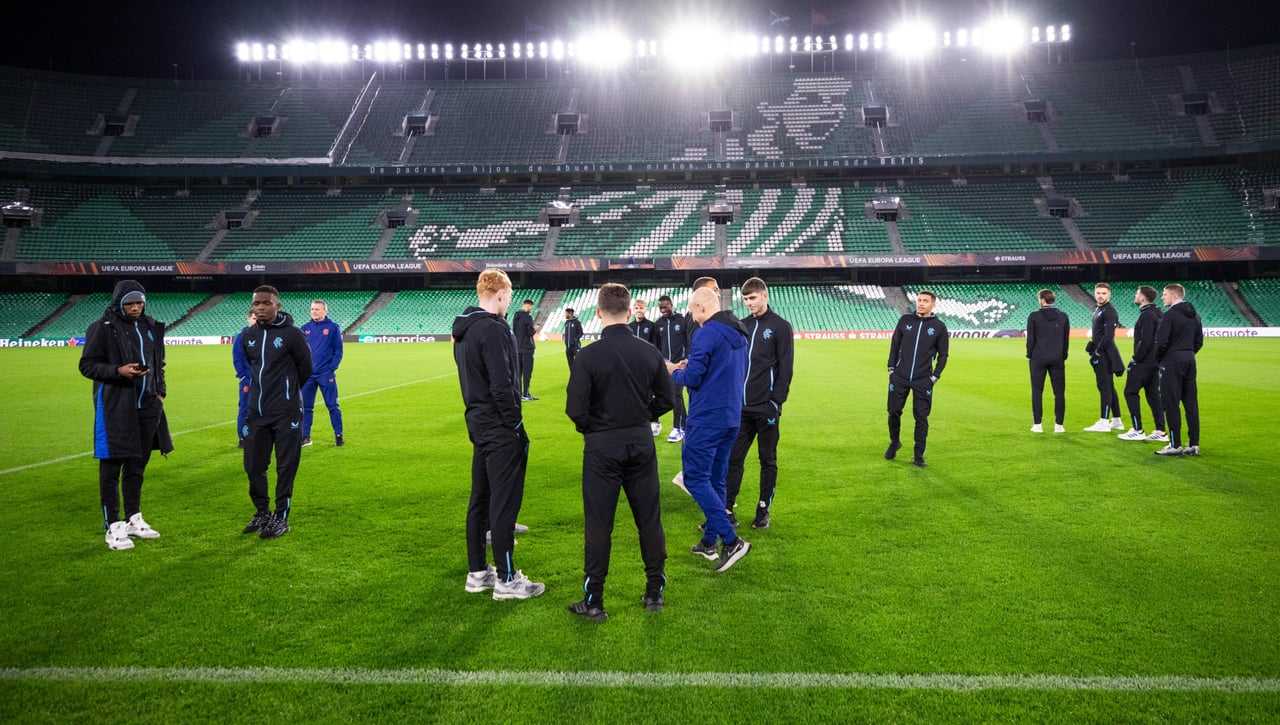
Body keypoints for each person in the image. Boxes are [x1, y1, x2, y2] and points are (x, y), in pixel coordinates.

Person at [565, 283, 674, 622]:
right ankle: (654, 592)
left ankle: (594, 600)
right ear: (629, 312)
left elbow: (575, 409)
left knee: (599, 525)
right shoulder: (649, 352)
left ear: (598, 313)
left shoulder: (588, 355)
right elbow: (668, 399)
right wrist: (643, 415)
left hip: (602, 447)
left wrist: (595, 428)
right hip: (640, 443)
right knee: (649, 520)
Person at [454, 270, 545, 600]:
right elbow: (502, 384)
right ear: (502, 294)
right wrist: (517, 426)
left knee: (479, 500)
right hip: (500, 427)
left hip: (478, 424)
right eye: (508, 294)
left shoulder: (464, 330)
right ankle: (507, 580)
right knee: (503, 505)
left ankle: (478, 573)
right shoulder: (493, 329)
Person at [79, 280, 172, 551]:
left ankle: (133, 518)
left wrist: (160, 392)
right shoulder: (102, 328)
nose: (135, 307)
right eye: (129, 303)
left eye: (139, 302)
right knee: (111, 466)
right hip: (115, 407)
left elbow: (159, 364)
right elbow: (87, 365)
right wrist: (118, 371)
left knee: (137, 465)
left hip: (148, 405)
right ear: (119, 302)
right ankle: (113, 527)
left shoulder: (150, 327)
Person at [669, 286, 752, 573]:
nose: (691, 316)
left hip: (707, 417)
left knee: (694, 479)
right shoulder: (739, 333)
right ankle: (709, 542)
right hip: (731, 416)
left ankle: (731, 541)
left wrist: (672, 370)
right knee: (717, 479)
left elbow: (692, 378)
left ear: (702, 307)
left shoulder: (706, 333)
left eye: (692, 310)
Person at [240, 285, 312, 540]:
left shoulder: (292, 334)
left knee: (286, 466)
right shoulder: (248, 335)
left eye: (266, 303)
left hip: (286, 413)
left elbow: (306, 367)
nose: (260, 307)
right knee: (253, 465)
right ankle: (262, 512)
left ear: (277, 305)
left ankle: (281, 517)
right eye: (256, 303)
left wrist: (287, 393)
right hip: (257, 412)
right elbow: (252, 366)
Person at [725, 278, 794, 530]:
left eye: (752, 298)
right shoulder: (742, 325)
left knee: (767, 460)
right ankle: (726, 509)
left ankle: (763, 510)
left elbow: (786, 368)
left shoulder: (780, 327)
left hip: (766, 407)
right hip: (741, 408)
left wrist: (776, 402)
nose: (749, 303)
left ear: (764, 295)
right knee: (733, 459)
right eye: (745, 299)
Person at [885, 290, 949, 468]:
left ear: (933, 304)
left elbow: (943, 355)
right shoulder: (905, 321)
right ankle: (894, 442)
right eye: (919, 300)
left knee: (921, 417)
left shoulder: (939, 327)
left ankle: (918, 454)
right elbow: (895, 344)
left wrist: (934, 376)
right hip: (900, 377)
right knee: (893, 411)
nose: (921, 303)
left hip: (923, 380)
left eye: (925, 301)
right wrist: (891, 368)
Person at [672, 276, 719, 493]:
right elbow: (696, 347)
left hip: (701, 374)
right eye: (714, 288)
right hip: (700, 378)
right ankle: (690, 475)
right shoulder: (697, 319)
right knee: (699, 428)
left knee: (700, 429)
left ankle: (693, 475)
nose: (717, 291)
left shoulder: (708, 319)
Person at [1154, 283, 1204, 457]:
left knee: (1171, 404)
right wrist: (1187, 353)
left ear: (1174, 296)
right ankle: (1194, 444)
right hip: (1190, 361)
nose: (1162, 297)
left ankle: (1175, 445)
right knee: (1191, 404)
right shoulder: (1195, 316)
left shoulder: (1170, 316)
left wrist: (1160, 360)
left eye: (1165, 294)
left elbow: (1161, 342)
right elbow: (1199, 342)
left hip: (1171, 364)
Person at [1119, 286, 1168, 442]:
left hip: (1143, 362)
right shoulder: (1159, 312)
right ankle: (1160, 431)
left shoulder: (1146, 315)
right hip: (1155, 362)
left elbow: (1145, 340)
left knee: (1130, 392)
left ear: (1143, 297)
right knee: (1153, 394)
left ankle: (1137, 429)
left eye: (1137, 293)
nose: (1135, 295)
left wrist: (1136, 358)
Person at [300, 300, 345, 448]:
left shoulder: (333, 328)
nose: (314, 311)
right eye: (312, 309)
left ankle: (338, 435)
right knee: (306, 407)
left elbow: (338, 350)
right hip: (308, 376)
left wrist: (331, 368)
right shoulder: (304, 329)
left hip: (325, 374)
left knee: (332, 406)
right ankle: (305, 436)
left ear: (325, 311)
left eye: (317, 309)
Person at [1083, 282, 1125, 432]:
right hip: (1102, 352)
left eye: (1104, 293)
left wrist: (1098, 352)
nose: (1100, 296)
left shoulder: (1109, 311)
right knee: (1109, 386)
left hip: (1105, 354)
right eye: (1098, 293)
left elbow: (1109, 336)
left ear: (1109, 295)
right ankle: (1117, 420)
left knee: (1104, 386)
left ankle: (1103, 421)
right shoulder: (1099, 309)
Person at [1025, 289, 1069, 434]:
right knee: (1059, 392)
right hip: (1057, 358)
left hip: (1038, 358)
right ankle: (1059, 425)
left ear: (1042, 300)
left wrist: (1030, 354)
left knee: (1037, 391)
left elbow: (1030, 339)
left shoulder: (1034, 316)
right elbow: (1065, 340)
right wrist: (1063, 356)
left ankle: (1038, 424)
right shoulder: (1063, 317)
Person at [654, 295, 689, 443]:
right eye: (660, 307)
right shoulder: (658, 324)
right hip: (666, 366)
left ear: (671, 304)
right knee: (673, 395)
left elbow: (689, 342)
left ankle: (677, 428)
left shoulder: (682, 321)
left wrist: (686, 359)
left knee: (676, 394)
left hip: (680, 365)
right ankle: (686, 426)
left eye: (665, 307)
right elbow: (656, 345)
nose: (662, 310)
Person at [233, 310, 254, 449]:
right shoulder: (241, 337)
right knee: (245, 409)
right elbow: (237, 358)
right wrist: (243, 375)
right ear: (248, 319)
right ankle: (243, 437)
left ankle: (259, 437)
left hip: (264, 380)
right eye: (253, 318)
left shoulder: (265, 335)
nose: (256, 321)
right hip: (248, 379)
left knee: (264, 410)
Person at [512, 298, 538, 401]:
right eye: (531, 307)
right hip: (527, 348)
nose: (531, 309)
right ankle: (526, 394)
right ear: (528, 305)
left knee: (518, 373)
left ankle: (518, 394)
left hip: (518, 348)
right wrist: (535, 329)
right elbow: (529, 332)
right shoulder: (528, 317)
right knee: (527, 373)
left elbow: (514, 331)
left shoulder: (516, 316)